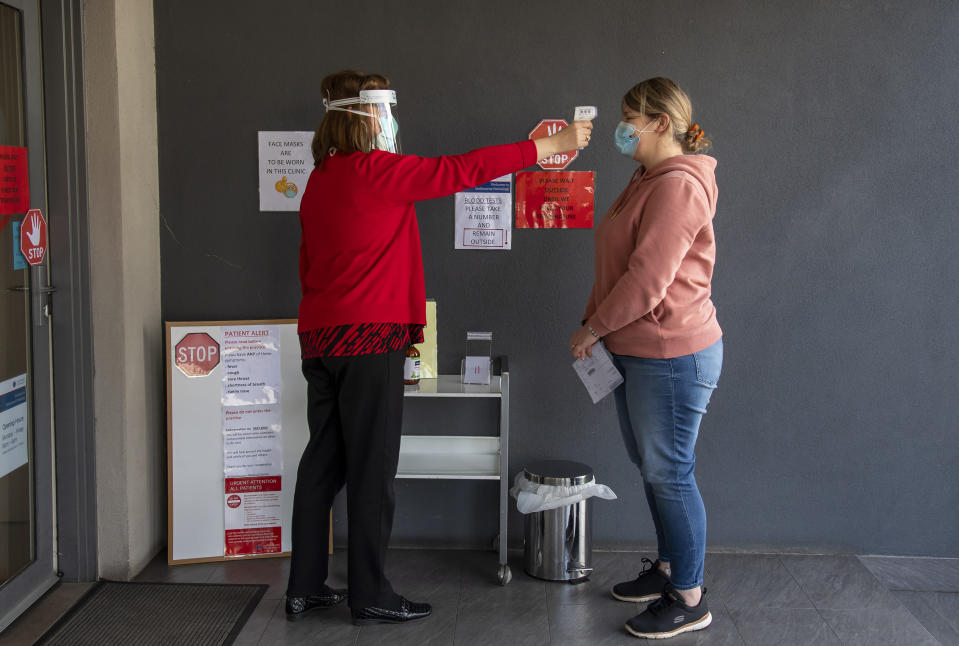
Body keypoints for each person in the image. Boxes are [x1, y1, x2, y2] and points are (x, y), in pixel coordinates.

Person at [286, 69, 592, 626]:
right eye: (385, 112)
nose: (391, 122)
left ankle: (304, 586)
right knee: (374, 469)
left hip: (320, 338)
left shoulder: (321, 177)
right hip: (369, 337)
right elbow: (464, 170)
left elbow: (306, 265)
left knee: (322, 462)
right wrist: (551, 145)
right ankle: (370, 592)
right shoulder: (377, 171)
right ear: (368, 117)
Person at [568, 77, 722, 640]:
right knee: (653, 469)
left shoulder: (678, 186)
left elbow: (647, 282)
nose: (621, 125)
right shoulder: (645, 178)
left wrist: (592, 328)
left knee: (670, 473)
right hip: (636, 349)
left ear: (660, 121)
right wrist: (598, 328)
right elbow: (616, 263)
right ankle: (667, 570)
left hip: (671, 354)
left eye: (630, 115)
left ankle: (689, 596)